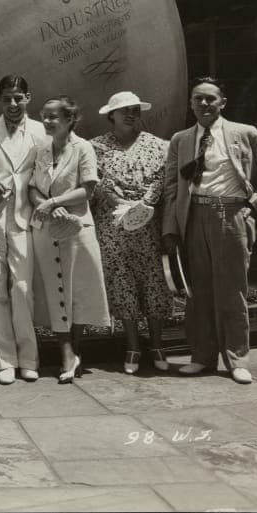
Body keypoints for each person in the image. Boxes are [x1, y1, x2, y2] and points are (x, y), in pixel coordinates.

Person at [162, 77, 257, 385]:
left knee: (232, 290)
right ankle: (201, 357)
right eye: (198, 99)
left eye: (210, 99)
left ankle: (237, 359)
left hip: (230, 213)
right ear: (191, 103)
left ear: (222, 103)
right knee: (198, 292)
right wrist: (170, 228)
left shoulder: (244, 133)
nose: (204, 104)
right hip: (194, 216)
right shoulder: (180, 139)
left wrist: (255, 204)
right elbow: (170, 187)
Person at [28, 96, 110, 383]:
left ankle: (74, 349)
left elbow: (87, 190)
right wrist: (46, 203)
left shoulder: (83, 147)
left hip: (77, 229)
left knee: (77, 289)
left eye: (53, 117)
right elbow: (32, 190)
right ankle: (66, 350)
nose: (48, 122)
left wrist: (54, 202)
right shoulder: (40, 149)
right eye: (44, 116)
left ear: (69, 119)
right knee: (54, 289)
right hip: (47, 230)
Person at [91, 91, 172, 375]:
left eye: (135, 110)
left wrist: (145, 202)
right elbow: (94, 182)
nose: (130, 115)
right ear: (111, 115)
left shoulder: (158, 145)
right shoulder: (97, 147)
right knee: (121, 282)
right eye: (124, 110)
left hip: (147, 226)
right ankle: (133, 345)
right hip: (113, 227)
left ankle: (158, 344)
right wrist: (119, 203)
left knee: (153, 282)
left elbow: (163, 178)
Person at [0, 74, 46, 384]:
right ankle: (2, 360)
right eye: (7, 99)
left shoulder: (42, 132)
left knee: (23, 288)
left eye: (18, 97)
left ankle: (28, 358)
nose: (13, 104)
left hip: (25, 218)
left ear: (28, 97)